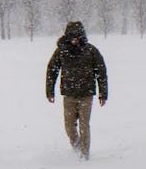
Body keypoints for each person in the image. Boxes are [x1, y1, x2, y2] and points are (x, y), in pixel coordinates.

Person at [46, 21, 108, 160]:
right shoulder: (61, 51)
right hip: (69, 95)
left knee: (84, 126)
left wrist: (103, 94)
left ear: (82, 36)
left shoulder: (91, 51)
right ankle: (77, 147)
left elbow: (101, 72)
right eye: (72, 36)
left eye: (77, 36)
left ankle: (84, 155)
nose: (75, 39)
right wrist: (50, 91)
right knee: (69, 127)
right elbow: (52, 70)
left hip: (86, 95)